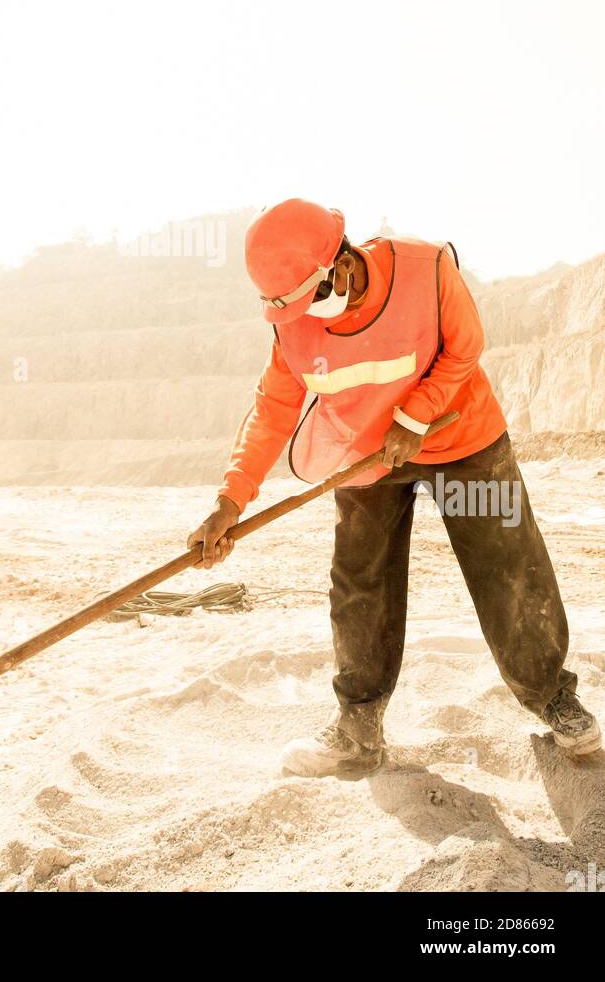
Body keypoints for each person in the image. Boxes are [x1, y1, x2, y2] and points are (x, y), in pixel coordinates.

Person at [186, 199, 601, 772]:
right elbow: (274, 409)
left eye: (313, 296)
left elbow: (465, 346)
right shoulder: (293, 328)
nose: (308, 315)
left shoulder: (427, 268)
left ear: (342, 260)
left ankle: (555, 698)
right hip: (367, 459)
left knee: (509, 563)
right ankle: (358, 727)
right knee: (360, 580)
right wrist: (229, 500)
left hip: (463, 441)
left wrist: (414, 417)